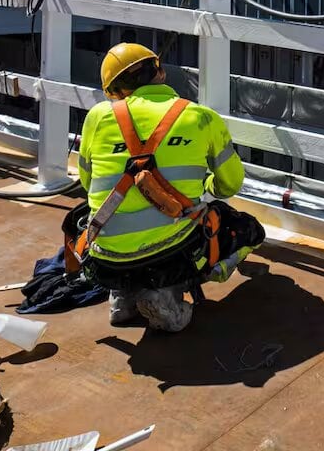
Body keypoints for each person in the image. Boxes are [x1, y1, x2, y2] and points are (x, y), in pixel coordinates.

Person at [69, 42, 264, 332]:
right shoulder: (201, 117)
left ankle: (122, 297)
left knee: (91, 216)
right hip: (172, 255)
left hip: (105, 259)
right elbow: (230, 184)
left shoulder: (97, 117)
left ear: (114, 92)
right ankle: (165, 300)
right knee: (243, 228)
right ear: (159, 72)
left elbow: (87, 183)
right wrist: (202, 187)